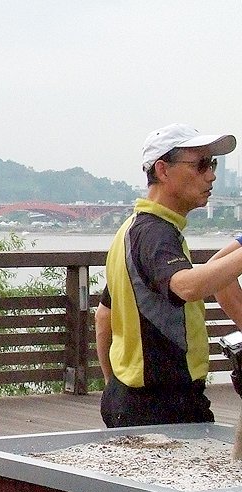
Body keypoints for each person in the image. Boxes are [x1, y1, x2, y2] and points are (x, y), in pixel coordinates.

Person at [96, 123, 242, 427]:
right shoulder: (156, 234)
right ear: (163, 170)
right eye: (201, 165)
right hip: (163, 404)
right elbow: (186, 286)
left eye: (213, 165)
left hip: (131, 399)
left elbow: (103, 316)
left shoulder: (131, 231)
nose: (211, 175)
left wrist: (114, 387)